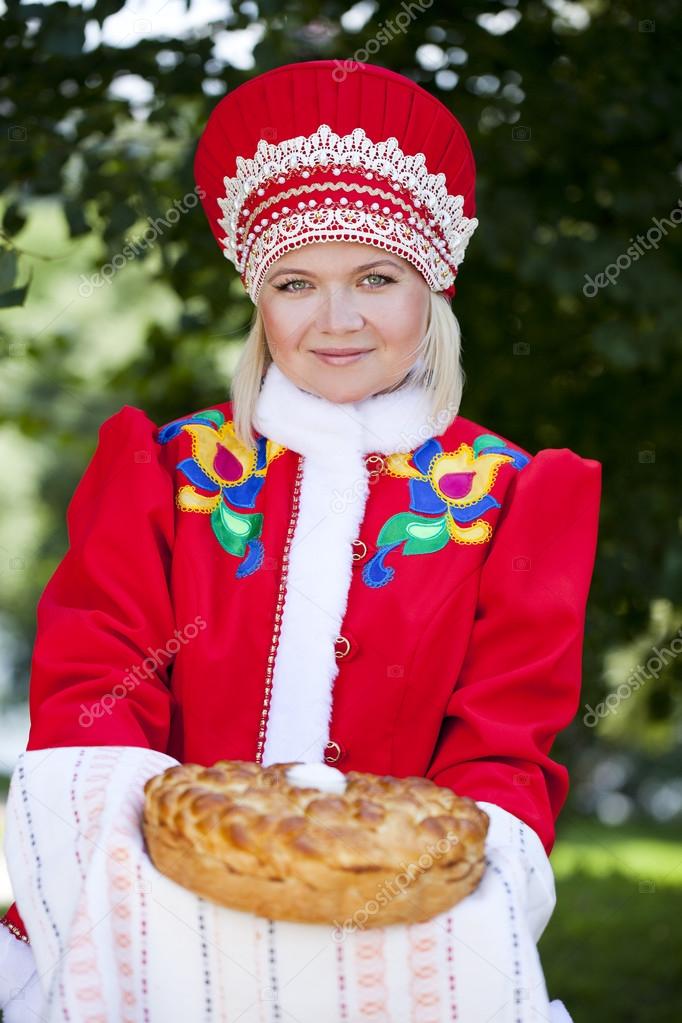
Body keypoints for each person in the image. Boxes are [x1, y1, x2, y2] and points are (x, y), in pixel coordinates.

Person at [0, 60, 600, 1022]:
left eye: (376, 277)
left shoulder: (510, 500)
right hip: (148, 931)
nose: (338, 319)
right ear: (258, 298)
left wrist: (405, 895)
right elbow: (89, 708)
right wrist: (181, 906)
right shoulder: (166, 473)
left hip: (404, 944)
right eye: (296, 282)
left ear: (431, 286)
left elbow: (503, 752)